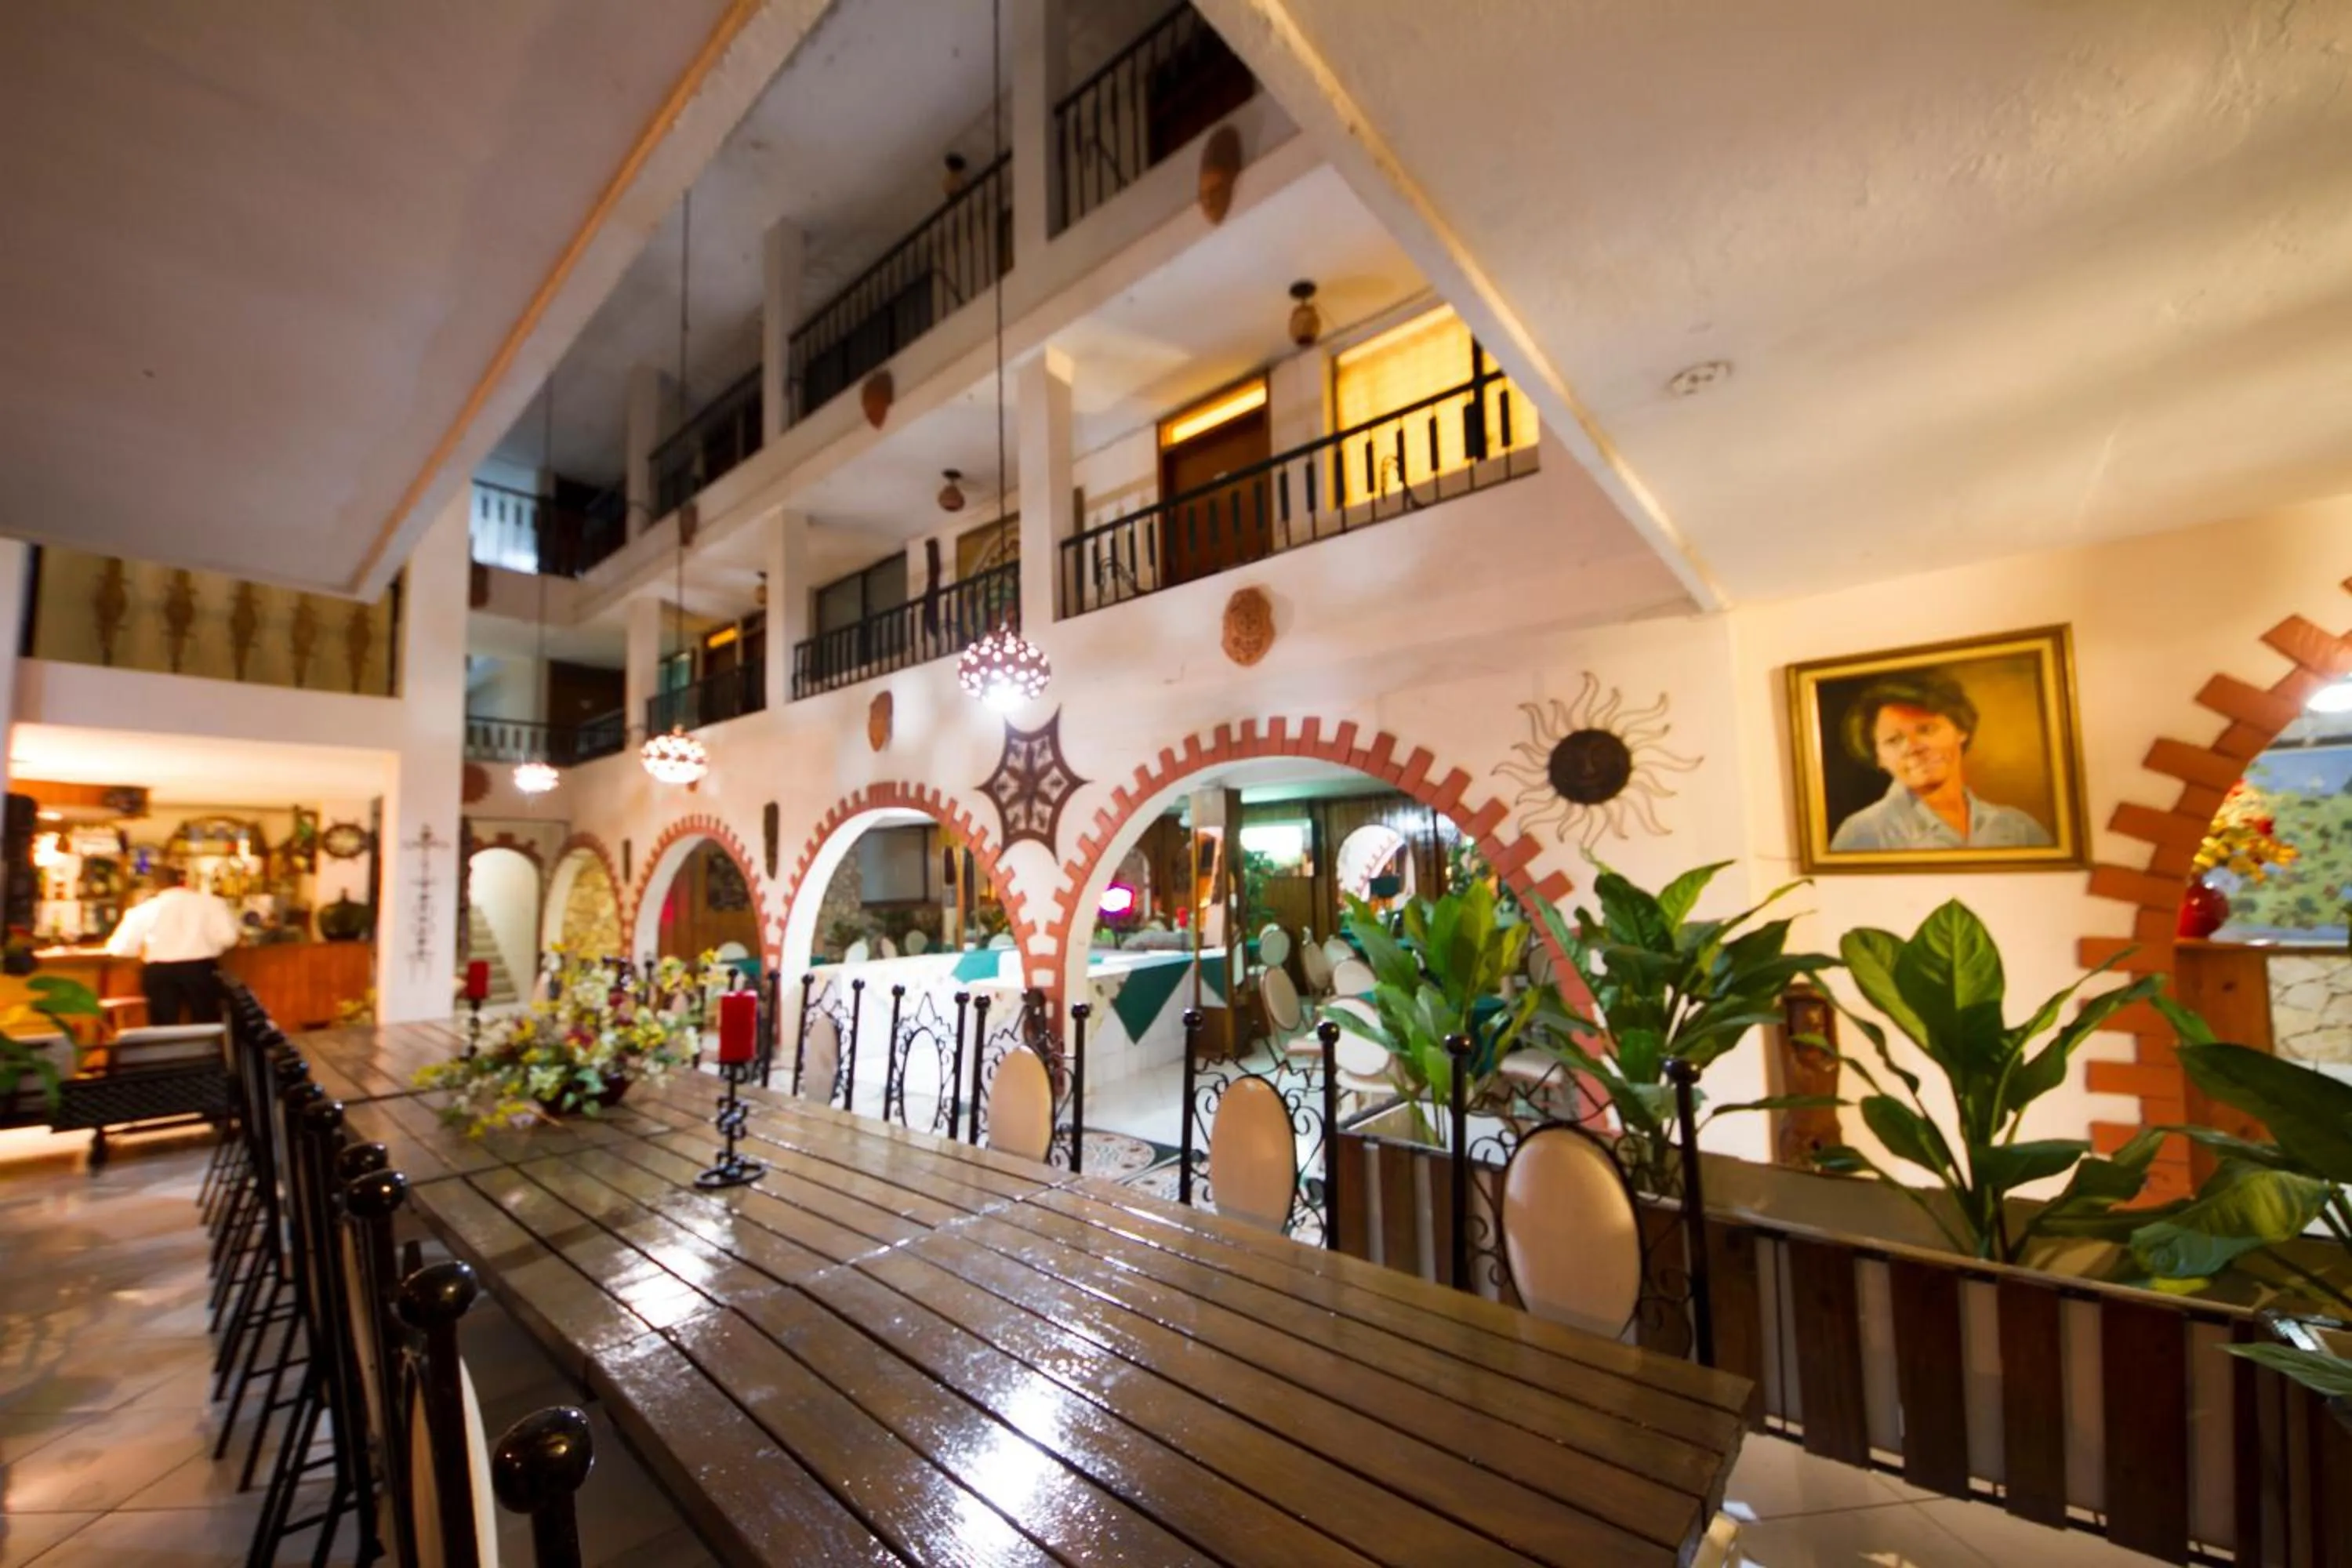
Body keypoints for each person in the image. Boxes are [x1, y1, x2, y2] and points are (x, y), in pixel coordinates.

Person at [1829, 670, 2053, 852]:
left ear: (1961, 730)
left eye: (1927, 729)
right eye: (1894, 740)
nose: (1913, 747)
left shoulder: (2019, 827)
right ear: (1877, 757)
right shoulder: (1862, 833)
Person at [105, 866, 242, 1025]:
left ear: (154, 885)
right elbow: (229, 938)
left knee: (164, 1026)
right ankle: (207, 1050)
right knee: (207, 1023)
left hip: (160, 972)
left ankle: (167, 1050)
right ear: (182, 881)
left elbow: (122, 948)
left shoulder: (145, 909)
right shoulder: (212, 903)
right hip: (200, 969)